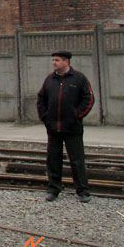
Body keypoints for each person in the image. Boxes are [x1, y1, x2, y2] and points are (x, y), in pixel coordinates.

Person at [37, 50, 94, 203]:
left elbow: (88, 98)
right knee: (53, 159)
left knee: (77, 160)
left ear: (66, 62)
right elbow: (41, 99)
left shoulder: (79, 78)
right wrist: (45, 117)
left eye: (57, 60)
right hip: (53, 128)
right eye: (53, 60)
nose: (54, 63)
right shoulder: (50, 80)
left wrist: (77, 115)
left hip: (72, 128)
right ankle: (53, 189)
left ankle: (83, 191)